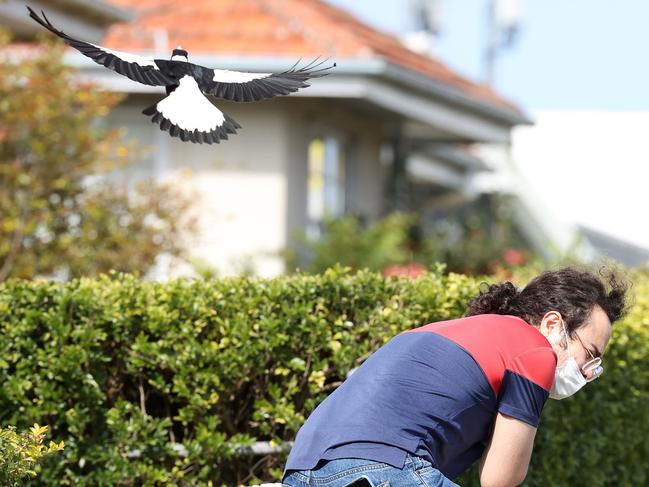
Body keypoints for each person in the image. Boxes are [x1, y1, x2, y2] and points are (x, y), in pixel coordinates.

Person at [282, 266, 629, 487]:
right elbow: (500, 480)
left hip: (304, 469)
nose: (588, 373)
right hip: (383, 468)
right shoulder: (534, 349)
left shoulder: (454, 330)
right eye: (591, 355)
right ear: (553, 324)